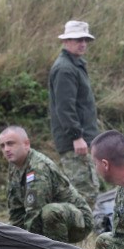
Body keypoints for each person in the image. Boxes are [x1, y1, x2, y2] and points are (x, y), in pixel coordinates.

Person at [0, 125, 93, 243]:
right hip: (47, 219)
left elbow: (35, 212)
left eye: (10, 143)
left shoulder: (38, 167)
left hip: (78, 220)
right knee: (4, 230)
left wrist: (29, 246)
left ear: (26, 144)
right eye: (2, 146)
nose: (6, 149)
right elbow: (16, 213)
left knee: (50, 212)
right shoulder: (14, 167)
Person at [48, 20, 100, 209]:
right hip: (75, 141)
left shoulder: (75, 64)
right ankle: (80, 235)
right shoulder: (65, 69)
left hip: (84, 137)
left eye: (85, 39)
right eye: (78, 39)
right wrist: (76, 136)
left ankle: (83, 232)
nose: (83, 43)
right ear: (66, 41)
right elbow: (64, 108)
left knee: (89, 188)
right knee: (83, 191)